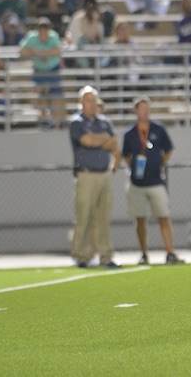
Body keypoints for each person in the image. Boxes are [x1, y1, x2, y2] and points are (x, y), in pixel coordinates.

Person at [118, 95, 183, 265]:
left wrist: (159, 163)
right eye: (142, 109)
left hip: (156, 180)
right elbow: (125, 155)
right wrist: (135, 168)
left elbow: (168, 150)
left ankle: (170, 252)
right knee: (140, 218)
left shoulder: (158, 129)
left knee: (164, 216)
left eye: (147, 108)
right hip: (137, 183)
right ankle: (143, 253)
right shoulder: (130, 133)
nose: (145, 112)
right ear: (135, 111)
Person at [69, 85, 121, 269]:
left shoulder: (104, 121)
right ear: (81, 102)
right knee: (84, 217)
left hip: (104, 174)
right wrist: (103, 140)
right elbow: (87, 141)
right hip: (86, 174)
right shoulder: (76, 122)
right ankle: (81, 255)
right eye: (88, 100)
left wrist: (100, 140)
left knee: (103, 218)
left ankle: (105, 256)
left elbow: (114, 143)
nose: (91, 104)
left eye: (94, 101)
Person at [19, 17, 64, 128]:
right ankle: (45, 118)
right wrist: (37, 53)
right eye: (41, 29)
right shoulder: (32, 37)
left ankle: (57, 124)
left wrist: (41, 53)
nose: (43, 32)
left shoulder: (53, 36)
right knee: (37, 94)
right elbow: (21, 50)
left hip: (53, 70)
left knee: (56, 96)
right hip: (39, 71)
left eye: (45, 29)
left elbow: (58, 50)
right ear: (38, 30)